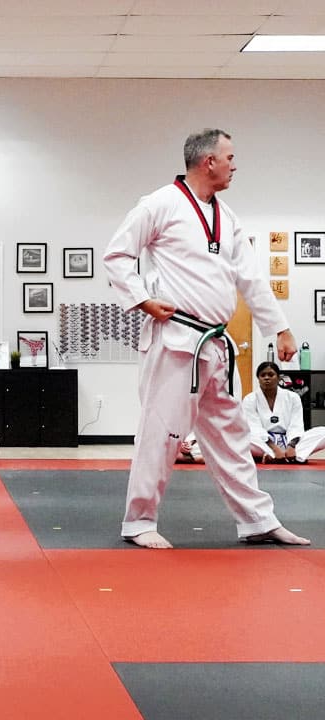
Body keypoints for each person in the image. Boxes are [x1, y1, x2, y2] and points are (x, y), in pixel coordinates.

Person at [103, 128, 309, 549]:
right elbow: (117, 255)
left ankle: (257, 518)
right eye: (230, 157)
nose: (235, 165)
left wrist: (280, 327)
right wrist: (142, 299)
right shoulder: (159, 204)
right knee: (162, 433)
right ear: (207, 162)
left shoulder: (226, 216)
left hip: (215, 344)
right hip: (175, 338)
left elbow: (249, 276)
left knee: (231, 433)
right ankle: (139, 521)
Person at [243, 361, 325, 464]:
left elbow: (296, 425)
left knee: (323, 432)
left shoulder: (293, 397)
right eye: (262, 375)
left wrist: (291, 446)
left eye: (271, 374)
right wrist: (274, 448)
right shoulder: (249, 399)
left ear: (278, 378)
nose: (266, 378)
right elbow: (254, 427)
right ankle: (285, 456)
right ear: (258, 378)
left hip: (288, 441)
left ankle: (279, 456)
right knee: (240, 437)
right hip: (264, 444)